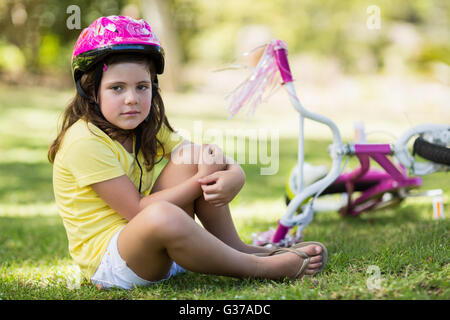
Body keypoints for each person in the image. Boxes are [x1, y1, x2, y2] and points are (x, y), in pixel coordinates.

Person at [48, 15, 328, 290]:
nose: (132, 98)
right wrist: (198, 185)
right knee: (160, 214)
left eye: (142, 87)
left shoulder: (143, 125)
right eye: (117, 88)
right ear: (92, 91)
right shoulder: (83, 141)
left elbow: (204, 155)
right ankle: (258, 268)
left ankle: (240, 249)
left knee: (197, 157)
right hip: (113, 264)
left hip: (149, 238)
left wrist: (235, 174)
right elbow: (137, 210)